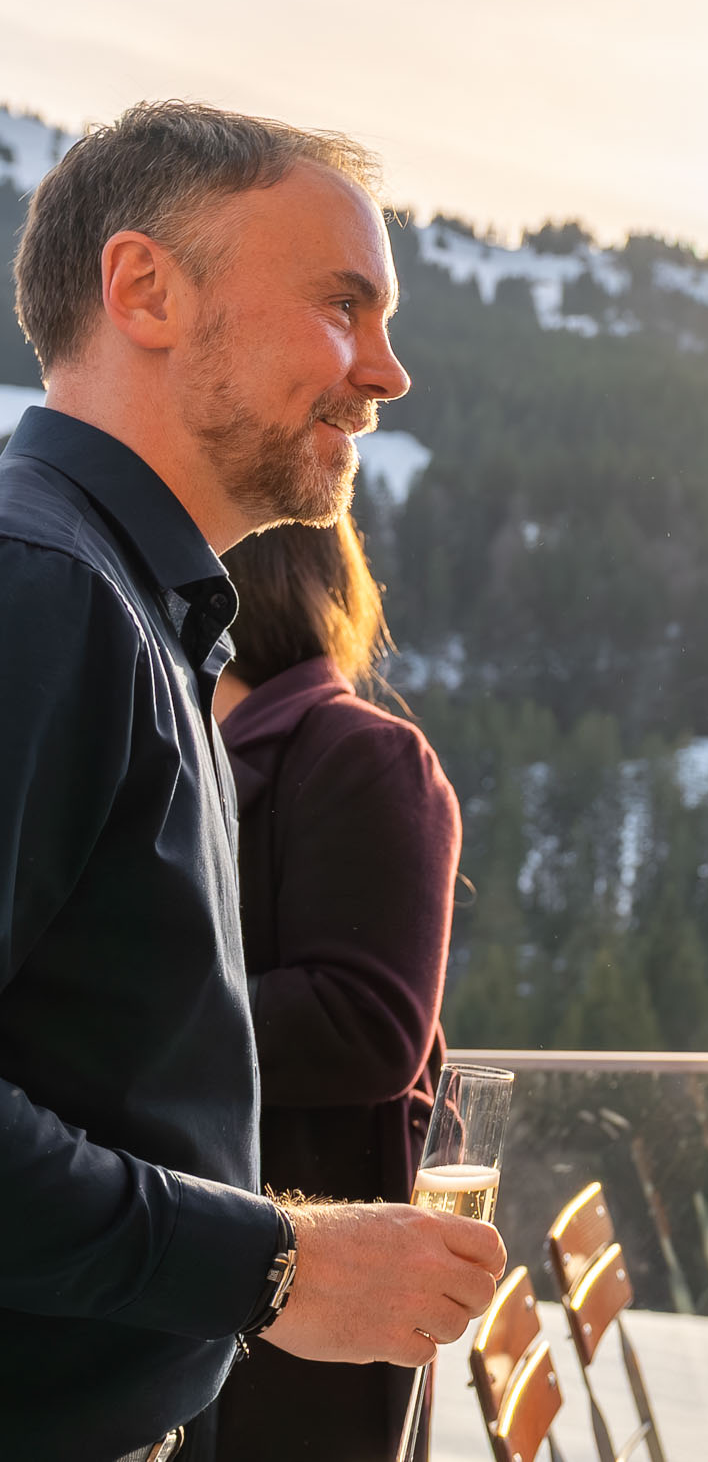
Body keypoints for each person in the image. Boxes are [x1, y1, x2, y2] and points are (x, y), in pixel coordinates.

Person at [0, 103, 503, 1462]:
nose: (388, 372)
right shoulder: (41, 589)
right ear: (146, 290)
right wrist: (275, 1267)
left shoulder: (127, 606)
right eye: (345, 306)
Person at [202, 512, 463, 1461]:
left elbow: (370, 1024)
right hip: (200, 1270)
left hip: (322, 1290)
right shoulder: (177, 747)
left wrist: (130, 1016)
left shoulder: (362, 754)